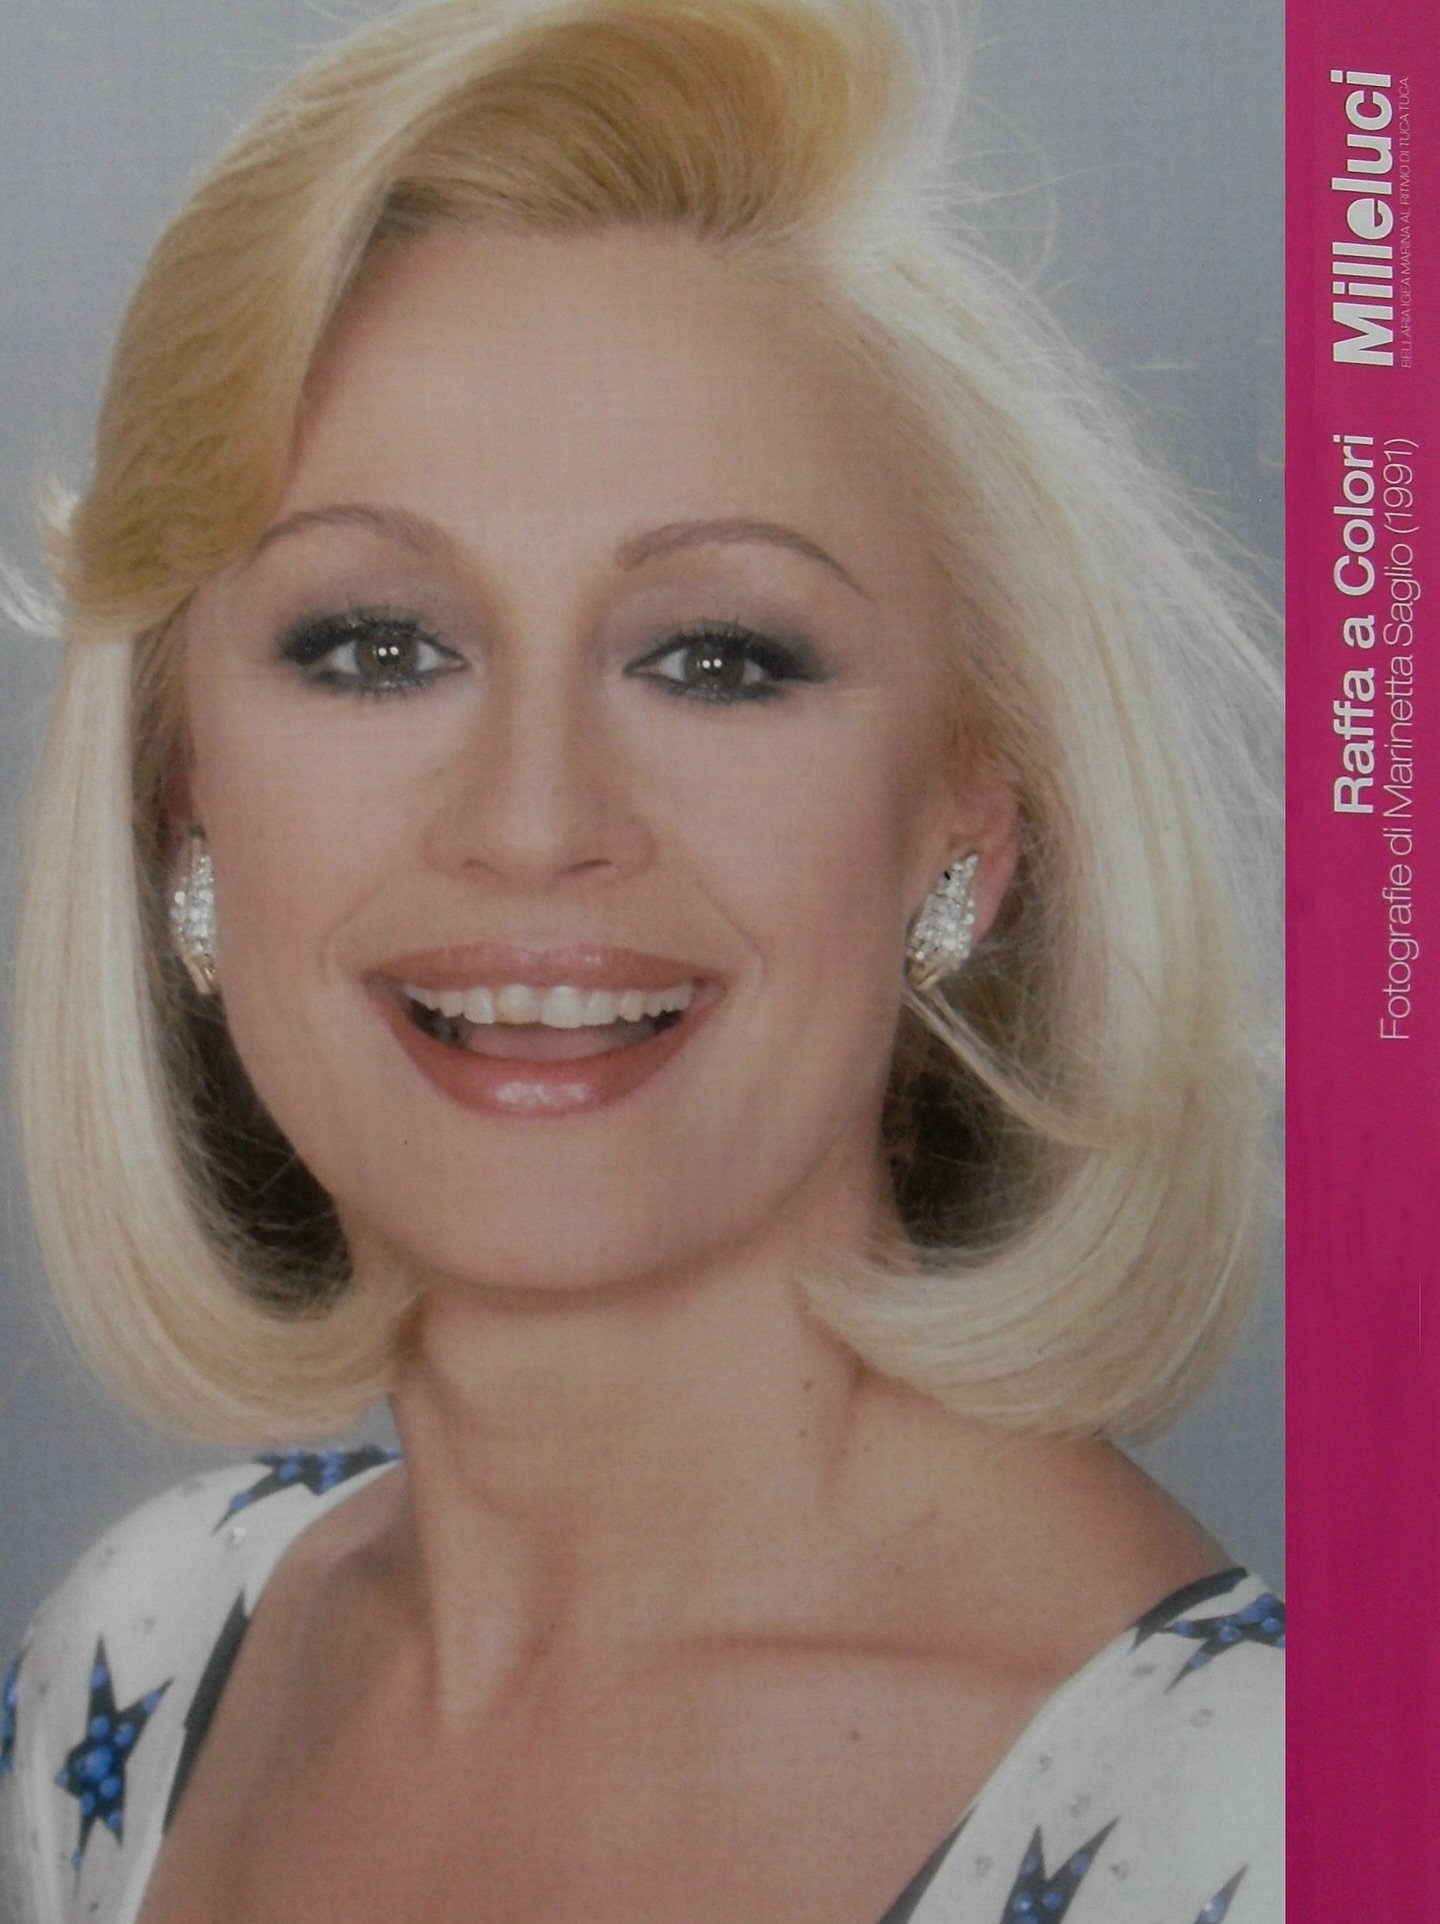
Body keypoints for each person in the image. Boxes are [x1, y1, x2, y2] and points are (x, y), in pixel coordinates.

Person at [0, 0, 1282, 1919]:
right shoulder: (144, 1666)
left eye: (717, 657)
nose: (533, 821)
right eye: (378, 647)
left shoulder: (1268, 1819)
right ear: (185, 802)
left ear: (967, 820)